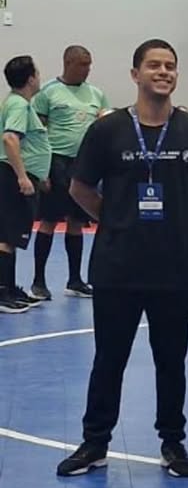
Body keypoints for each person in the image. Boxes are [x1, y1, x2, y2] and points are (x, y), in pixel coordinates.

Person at [56, 39, 188, 478]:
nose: (163, 72)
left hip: (174, 267)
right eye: (153, 65)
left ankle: (173, 442)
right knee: (109, 358)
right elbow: (80, 187)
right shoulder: (108, 130)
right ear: (135, 74)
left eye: (170, 65)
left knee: (171, 359)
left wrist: (182, 215)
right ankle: (95, 442)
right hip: (117, 266)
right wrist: (117, 219)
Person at [30, 44, 107, 299]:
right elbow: (37, 132)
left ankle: (75, 280)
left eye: (89, 64)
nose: (87, 69)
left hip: (83, 163)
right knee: (49, 220)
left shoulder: (96, 94)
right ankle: (38, 282)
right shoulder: (48, 92)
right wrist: (41, 170)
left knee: (76, 222)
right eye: (83, 64)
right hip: (56, 162)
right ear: (68, 63)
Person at [0, 55, 52, 313]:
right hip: (13, 177)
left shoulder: (17, 103)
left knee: (10, 235)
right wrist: (22, 176)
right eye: (37, 73)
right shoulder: (19, 105)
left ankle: (9, 288)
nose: (39, 77)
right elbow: (10, 139)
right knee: (7, 237)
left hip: (16, 175)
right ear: (31, 78)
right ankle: (2, 293)